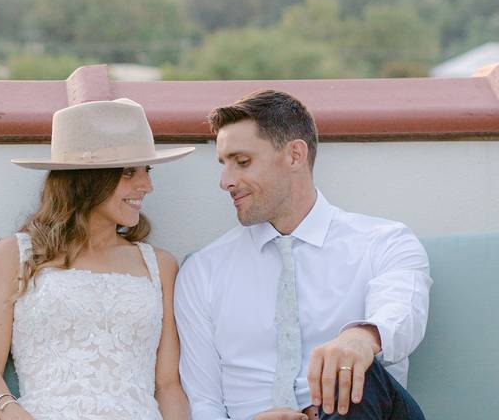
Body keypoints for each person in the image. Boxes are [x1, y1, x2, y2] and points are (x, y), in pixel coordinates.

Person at [175, 90, 431, 420]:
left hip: (360, 412)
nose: (226, 181)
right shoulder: (203, 270)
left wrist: (360, 338)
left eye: (242, 162)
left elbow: (402, 313)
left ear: (295, 155)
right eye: (224, 165)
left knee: (353, 371)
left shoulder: (384, 242)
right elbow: (202, 400)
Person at [0, 98, 194, 420]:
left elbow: (168, 386)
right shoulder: (14, 255)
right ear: (87, 179)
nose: (147, 185)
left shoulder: (161, 265)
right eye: (130, 172)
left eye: (147, 170)